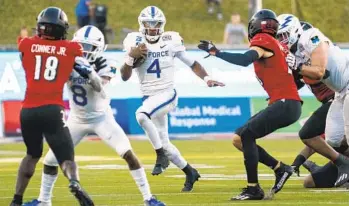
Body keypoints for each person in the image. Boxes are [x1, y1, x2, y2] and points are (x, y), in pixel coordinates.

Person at [22, 25, 165, 206]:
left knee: (128, 154)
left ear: (98, 49)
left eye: (88, 47)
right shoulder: (68, 61)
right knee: (50, 161)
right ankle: (44, 201)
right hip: (76, 119)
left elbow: (100, 87)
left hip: (101, 119)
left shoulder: (107, 63)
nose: (84, 50)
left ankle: (148, 198)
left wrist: (88, 71)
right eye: (81, 46)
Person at [198, 9, 302, 200]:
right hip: (286, 102)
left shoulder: (263, 40)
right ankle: (280, 168)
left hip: (285, 103)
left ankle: (253, 188)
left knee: (247, 135)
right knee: (239, 138)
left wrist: (216, 52)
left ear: (255, 26)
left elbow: (246, 59)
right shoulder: (278, 44)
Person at [121, 6, 224, 192]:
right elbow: (124, 76)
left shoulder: (171, 40)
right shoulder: (133, 41)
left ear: (162, 25)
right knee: (165, 142)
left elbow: (192, 63)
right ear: (141, 24)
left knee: (141, 115)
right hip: (149, 98)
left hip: (167, 94)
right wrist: (130, 57)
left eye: (156, 24)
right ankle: (189, 171)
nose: (152, 28)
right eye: (149, 24)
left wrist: (207, 78)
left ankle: (160, 155)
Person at [10, 7, 96, 206]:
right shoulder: (72, 48)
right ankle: (74, 182)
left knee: (32, 154)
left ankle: (16, 200)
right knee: (66, 157)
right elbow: (82, 67)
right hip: (52, 109)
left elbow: (26, 53)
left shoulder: (27, 44)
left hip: (28, 111)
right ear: (60, 29)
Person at [277, 14, 349, 187]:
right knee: (333, 139)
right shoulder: (294, 50)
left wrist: (298, 66)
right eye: (278, 37)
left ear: (294, 30)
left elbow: (319, 72)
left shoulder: (312, 37)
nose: (281, 40)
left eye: (283, 35)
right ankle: (343, 166)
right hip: (340, 92)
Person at [282, 21, 337, 175]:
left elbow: (319, 72)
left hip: (338, 98)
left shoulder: (316, 52)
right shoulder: (300, 58)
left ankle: (341, 166)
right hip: (331, 102)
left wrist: (298, 160)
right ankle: (332, 167)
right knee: (311, 182)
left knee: (335, 140)